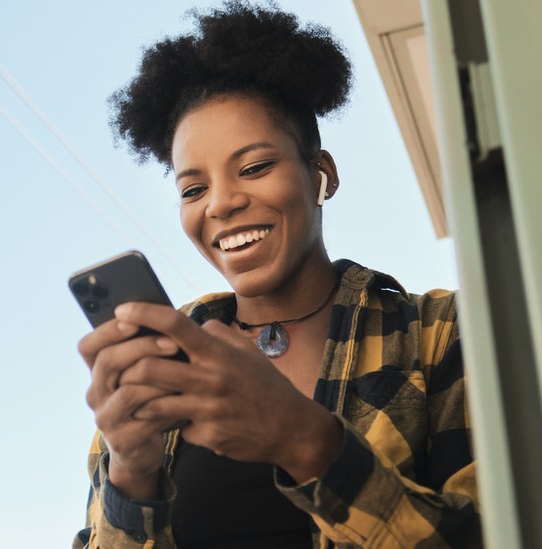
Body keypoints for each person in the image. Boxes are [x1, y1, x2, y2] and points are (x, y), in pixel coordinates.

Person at [74, 2, 480, 547]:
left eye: (255, 167)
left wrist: (304, 441)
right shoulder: (154, 375)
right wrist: (130, 471)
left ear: (321, 175)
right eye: (193, 189)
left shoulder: (443, 331)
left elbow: (507, 529)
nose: (220, 203)